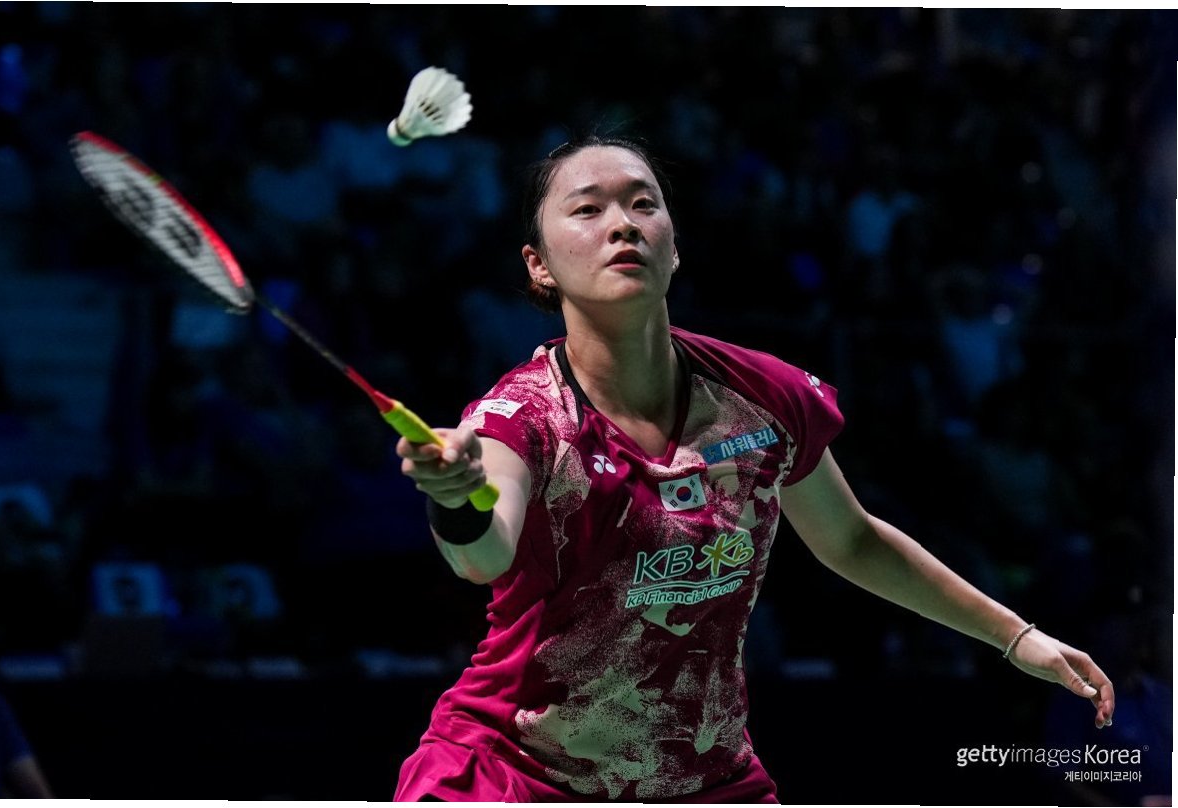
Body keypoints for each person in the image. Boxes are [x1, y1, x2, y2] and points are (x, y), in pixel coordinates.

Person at [391, 136, 1115, 802]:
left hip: (701, 781)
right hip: (513, 774)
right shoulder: (521, 417)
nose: (622, 225)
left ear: (674, 248)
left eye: (643, 204)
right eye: (588, 210)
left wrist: (1016, 636)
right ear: (539, 265)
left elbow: (852, 540)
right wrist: (455, 496)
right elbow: (481, 556)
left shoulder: (761, 400)